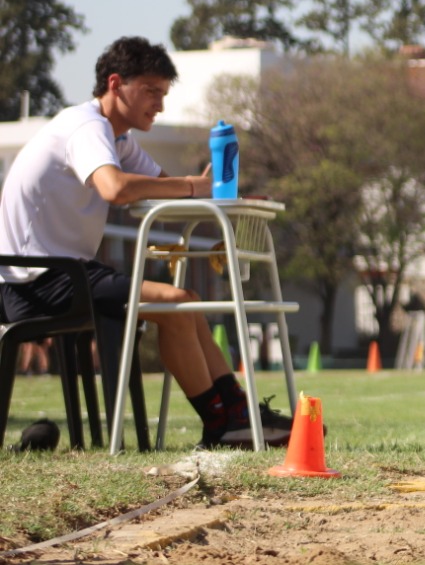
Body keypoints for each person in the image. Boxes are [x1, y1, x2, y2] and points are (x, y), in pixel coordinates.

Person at [0, 37, 291, 449]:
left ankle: (237, 412)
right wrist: (191, 185)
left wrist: (230, 197)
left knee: (186, 300)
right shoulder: (86, 126)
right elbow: (116, 189)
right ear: (115, 84)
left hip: (67, 274)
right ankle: (221, 423)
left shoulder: (118, 139)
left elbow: (163, 194)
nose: (160, 105)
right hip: (34, 282)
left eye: (164, 94)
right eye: (151, 91)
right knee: (176, 304)